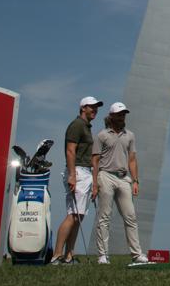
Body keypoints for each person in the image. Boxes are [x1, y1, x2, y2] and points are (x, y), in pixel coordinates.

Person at [91, 102, 150, 264]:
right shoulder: (101, 135)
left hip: (124, 178)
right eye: (119, 114)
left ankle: (137, 254)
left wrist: (135, 180)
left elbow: (132, 159)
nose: (122, 117)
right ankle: (103, 255)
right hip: (105, 175)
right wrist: (94, 183)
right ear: (111, 116)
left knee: (130, 216)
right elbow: (95, 160)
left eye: (124, 114)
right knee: (104, 217)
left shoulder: (130, 135)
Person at [51, 95, 102, 265]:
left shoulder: (86, 126)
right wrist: (72, 175)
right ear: (82, 108)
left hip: (84, 171)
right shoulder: (77, 125)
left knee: (78, 215)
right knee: (73, 215)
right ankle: (57, 256)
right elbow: (70, 151)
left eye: (96, 107)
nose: (95, 110)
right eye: (91, 107)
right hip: (78, 171)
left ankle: (69, 256)